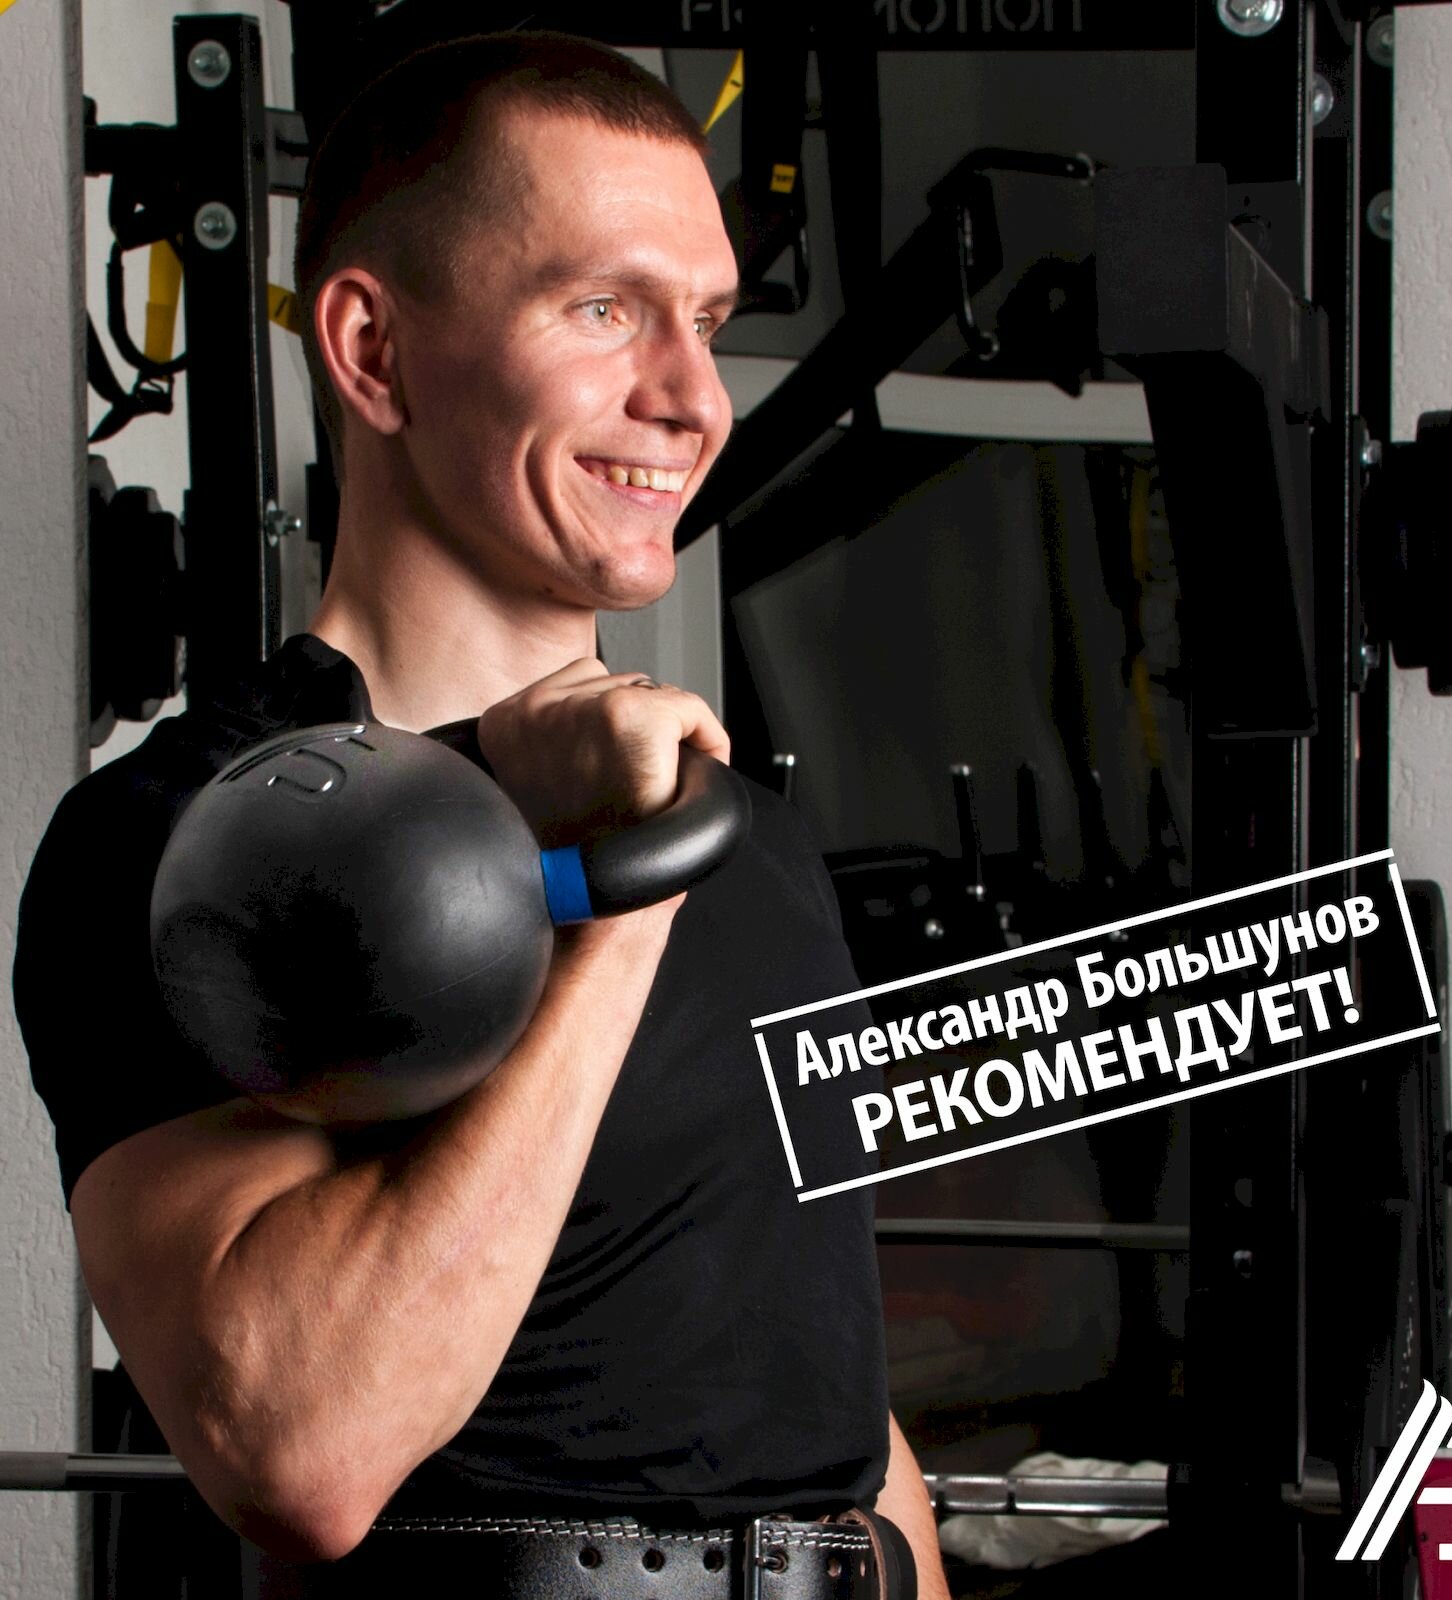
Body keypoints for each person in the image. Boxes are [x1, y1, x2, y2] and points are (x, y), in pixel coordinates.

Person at [14, 31, 948, 1599]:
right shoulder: (198, 838)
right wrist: (622, 886)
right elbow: (297, 1448)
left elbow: (818, 1385)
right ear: (374, 351)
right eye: (602, 309)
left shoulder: (752, 837)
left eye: (706, 321)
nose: (693, 398)